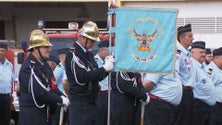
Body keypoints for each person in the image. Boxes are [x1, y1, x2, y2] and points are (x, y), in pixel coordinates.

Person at [65, 21, 114, 125]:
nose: (94, 43)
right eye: (91, 41)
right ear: (83, 38)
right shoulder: (73, 55)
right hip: (80, 105)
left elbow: (97, 77)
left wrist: (108, 69)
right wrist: (104, 69)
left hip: (92, 103)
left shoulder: (89, 55)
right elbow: (82, 77)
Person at [18, 29, 70, 125]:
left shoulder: (45, 66)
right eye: (45, 47)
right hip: (32, 118)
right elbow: (40, 92)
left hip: (45, 116)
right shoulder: (28, 67)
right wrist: (60, 99)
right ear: (35, 48)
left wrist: (63, 96)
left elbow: (52, 86)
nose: (49, 49)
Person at [174, 24, 195, 125]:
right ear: (182, 38)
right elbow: (176, 73)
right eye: (190, 36)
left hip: (189, 92)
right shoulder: (178, 53)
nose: (192, 38)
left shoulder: (187, 54)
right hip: (183, 92)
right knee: (182, 121)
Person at [190, 41, 216, 125]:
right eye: (200, 52)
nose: (203, 55)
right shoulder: (191, 66)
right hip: (197, 106)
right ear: (192, 53)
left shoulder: (202, 67)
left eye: (204, 52)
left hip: (205, 108)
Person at [51, 48, 70, 125]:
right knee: (59, 121)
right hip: (60, 100)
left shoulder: (65, 68)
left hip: (66, 100)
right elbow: (53, 83)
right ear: (62, 57)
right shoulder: (59, 68)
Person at [94, 40, 109, 125]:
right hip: (100, 94)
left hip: (109, 94)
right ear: (102, 50)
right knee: (100, 119)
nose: (110, 54)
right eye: (108, 51)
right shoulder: (94, 62)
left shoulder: (108, 61)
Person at [205, 47, 222, 125]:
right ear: (215, 58)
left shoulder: (220, 69)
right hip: (215, 105)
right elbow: (207, 86)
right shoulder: (209, 70)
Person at [0, 42, 15, 125]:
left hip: (6, 97)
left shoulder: (10, 65)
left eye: (2, 51)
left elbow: (12, 79)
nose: (0, 53)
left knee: (6, 119)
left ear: (6, 52)